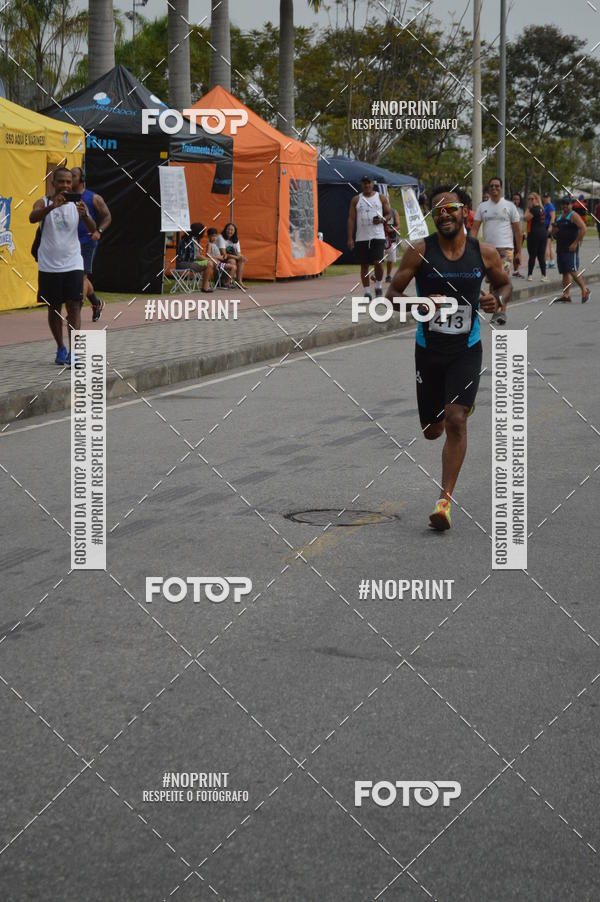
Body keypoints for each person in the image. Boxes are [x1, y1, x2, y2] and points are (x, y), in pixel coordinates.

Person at [387, 185, 511, 530]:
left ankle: (444, 501)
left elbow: (504, 285)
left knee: (457, 419)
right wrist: (419, 304)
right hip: (428, 351)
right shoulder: (419, 252)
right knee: (431, 430)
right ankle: (443, 410)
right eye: (437, 211)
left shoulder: (484, 253)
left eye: (451, 209)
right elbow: (391, 294)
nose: (444, 215)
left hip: (466, 351)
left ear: (465, 213)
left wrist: (497, 301)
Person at [30, 166, 96, 366]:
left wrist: (85, 215)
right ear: (53, 182)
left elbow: (93, 230)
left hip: (73, 262)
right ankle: (60, 348)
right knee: (54, 308)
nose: (66, 185)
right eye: (61, 182)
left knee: (74, 308)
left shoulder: (78, 204)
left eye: (69, 182)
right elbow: (32, 217)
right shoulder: (44, 201)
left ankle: (74, 353)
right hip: (49, 265)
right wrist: (52, 207)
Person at [470, 176, 521, 324]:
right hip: (488, 250)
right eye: (491, 186)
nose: (494, 189)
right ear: (488, 188)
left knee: (502, 280)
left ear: (501, 188)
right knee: (492, 282)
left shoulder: (510, 206)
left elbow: (517, 231)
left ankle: (502, 312)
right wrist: (471, 247)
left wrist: (518, 251)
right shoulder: (482, 207)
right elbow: (474, 229)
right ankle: (495, 309)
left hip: (506, 249)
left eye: (497, 186)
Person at [70, 166, 111, 321]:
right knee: (80, 278)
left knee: (81, 277)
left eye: (73, 176)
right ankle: (96, 303)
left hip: (87, 241)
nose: (70, 180)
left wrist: (98, 231)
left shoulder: (93, 198)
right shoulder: (66, 198)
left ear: (81, 179)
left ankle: (75, 312)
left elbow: (107, 216)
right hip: (70, 244)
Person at [347, 175, 392, 299]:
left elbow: (389, 213)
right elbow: (351, 219)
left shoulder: (381, 197)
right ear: (361, 185)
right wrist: (350, 238)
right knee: (364, 264)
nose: (367, 185)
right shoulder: (356, 199)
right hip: (361, 237)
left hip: (377, 235)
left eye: (369, 183)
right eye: (364, 183)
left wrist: (382, 219)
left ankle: (378, 286)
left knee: (378, 262)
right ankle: (367, 292)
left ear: (373, 184)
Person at [552, 197, 590, 303]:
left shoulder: (573, 215)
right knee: (565, 272)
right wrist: (554, 233)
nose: (565, 206)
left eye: (567, 204)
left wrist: (575, 243)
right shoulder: (560, 217)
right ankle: (566, 295)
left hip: (571, 248)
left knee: (572, 270)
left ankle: (584, 290)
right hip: (561, 247)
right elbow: (556, 233)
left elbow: (583, 228)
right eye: (563, 203)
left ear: (571, 204)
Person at [176, 222, 211, 292]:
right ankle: (205, 287)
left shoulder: (186, 238)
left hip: (184, 262)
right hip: (184, 263)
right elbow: (197, 256)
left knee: (208, 263)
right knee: (209, 264)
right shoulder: (192, 240)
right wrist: (209, 259)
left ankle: (206, 285)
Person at [523, 192, 547, 281]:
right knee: (541, 255)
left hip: (534, 234)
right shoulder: (541, 208)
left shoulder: (533, 209)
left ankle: (530, 275)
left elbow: (525, 218)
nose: (529, 200)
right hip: (543, 234)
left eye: (532, 199)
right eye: (528, 199)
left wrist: (528, 208)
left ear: (536, 199)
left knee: (532, 255)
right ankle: (544, 276)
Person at [216, 223, 247, 288]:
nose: (229, 231)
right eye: (228, 229)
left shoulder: (236, 240)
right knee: (233, 261)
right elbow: (223, 254)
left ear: (234, 231)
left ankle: (239, 281)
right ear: (225, 229)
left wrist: (241, 257)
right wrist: (237, 257)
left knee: (241, 260)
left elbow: (238, 253)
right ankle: (227, 283)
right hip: (220, 260)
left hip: (231, 258)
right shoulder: (220, 237)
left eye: (232, 230)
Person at [384, 205, 401, 282]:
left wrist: (391, 229)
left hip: (391, 239)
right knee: (378, 258)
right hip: (380, 237)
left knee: (390, 259)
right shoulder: (378, 211)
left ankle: (388, 275)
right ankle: (376, 274)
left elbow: (398, 226)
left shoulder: (393, 211)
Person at [511, 193, 525, 276]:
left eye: (517, 199)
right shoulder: (509, 210)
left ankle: (516, 271)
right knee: (511, 253)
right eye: (514, 199)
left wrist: (523, 232)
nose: (515, 201)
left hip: (520, 235)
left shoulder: (521, 210)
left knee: (517, 252)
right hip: (511, 234)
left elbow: (522, 223)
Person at [543, 193, 556, 268]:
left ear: (549, 198)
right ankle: (552, 262)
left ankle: (546, 262)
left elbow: (553, 217)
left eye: (547, 197)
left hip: (548, 227)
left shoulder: (550, 206)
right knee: (550, 245)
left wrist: (550, 227)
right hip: (546, 227)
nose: (545, 199)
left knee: (546, 245)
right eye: (545, 197)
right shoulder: (546, 206)